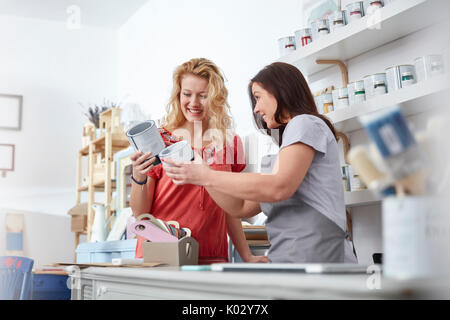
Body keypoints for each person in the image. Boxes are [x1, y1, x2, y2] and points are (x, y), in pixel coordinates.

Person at [163, 62, 358, 263]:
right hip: (291, 262)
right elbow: (241, 207)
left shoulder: (305, 123)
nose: (256, 108)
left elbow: (279, 187)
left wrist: (207, 175)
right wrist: (204, 177)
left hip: (320, 261)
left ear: (280, 91)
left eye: (258, 97)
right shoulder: (287, 145)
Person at [129, 58, 269, 264]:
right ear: (178, 95)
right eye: (187, 94)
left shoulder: (229, 143)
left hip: (211, 256)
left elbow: (232, 208)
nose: (194, 103)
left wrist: (246, 255)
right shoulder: (160, 139)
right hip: (162, 257)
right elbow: (140, 213)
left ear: (215, 98)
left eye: (203, 96)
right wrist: (138, 176)